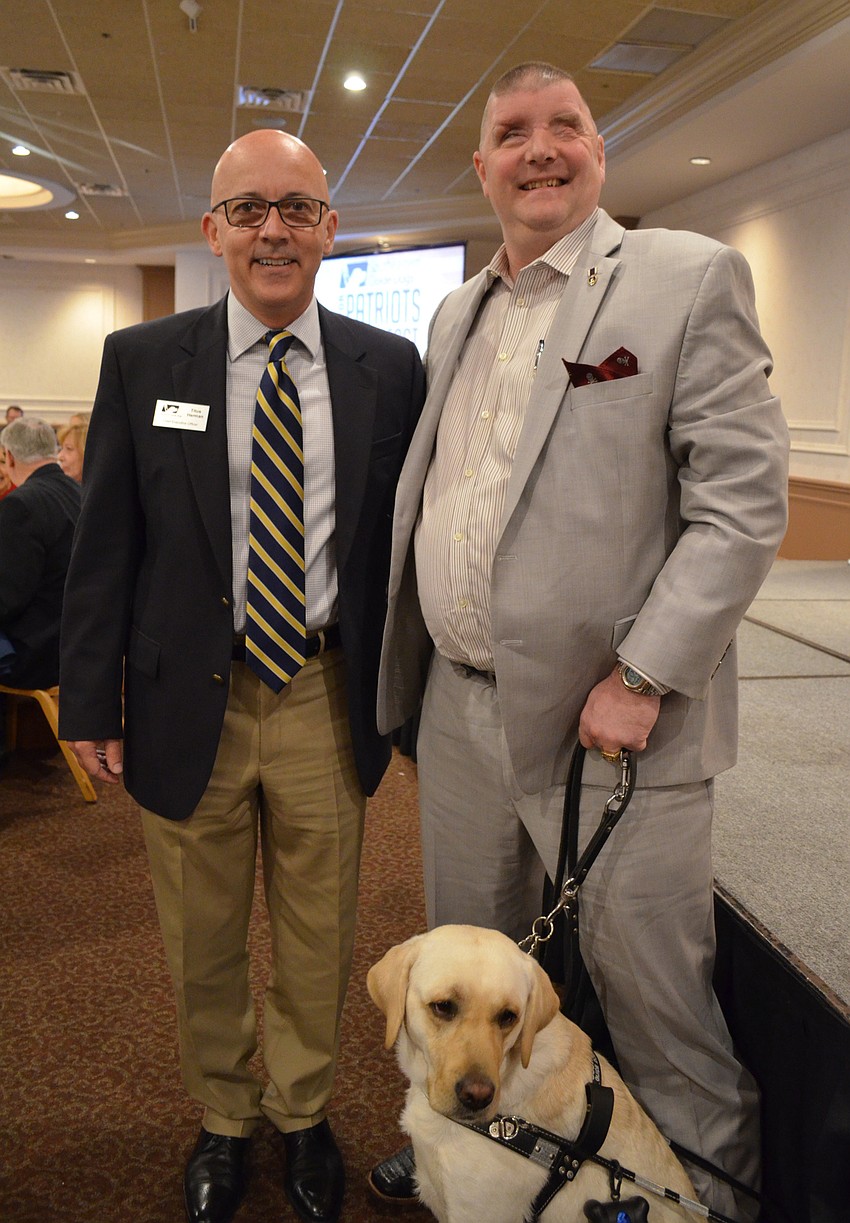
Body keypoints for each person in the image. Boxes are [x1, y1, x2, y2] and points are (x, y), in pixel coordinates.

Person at [371, 62, 788, 1222]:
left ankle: (710, 1199)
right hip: (458, 715)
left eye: (566, 128)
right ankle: (495, 1168)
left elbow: (744, 501)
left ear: (599, 153)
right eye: (512, 131)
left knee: (663, 1016)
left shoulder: (685, 275)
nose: (539, 149)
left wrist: (645, 671)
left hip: (615, 724)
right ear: (483, 164)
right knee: (476, 993)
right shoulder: (456, 310)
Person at [59, 129, 425, 1223]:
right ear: (213, 228)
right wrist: (88, 697)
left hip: (322, 691)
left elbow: (401, 547)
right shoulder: (143, 361)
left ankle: (303, 1108)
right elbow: (106, 542)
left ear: (330, 227)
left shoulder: (386, 366)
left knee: (320, 930)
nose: (275, 229)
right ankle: (225, 1117)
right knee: (201, 933)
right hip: (185, 698)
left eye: (299, 208)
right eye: (250, 208)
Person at [0, 418, 80, 688]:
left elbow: (7, 599)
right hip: (75, 649)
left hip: (33, 657)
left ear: (8, 457)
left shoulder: (21, 505)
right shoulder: (79, 493)